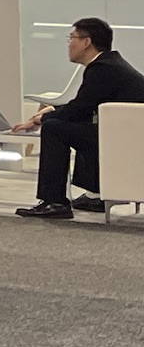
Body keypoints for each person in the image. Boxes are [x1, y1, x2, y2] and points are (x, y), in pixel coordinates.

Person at [15, 17, 144, 220]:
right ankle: (95, 195)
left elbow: (79, 109)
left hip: (128, 140)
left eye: (71, 38)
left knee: (54, 128)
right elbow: (85, 105)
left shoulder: (103, 69)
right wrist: (49, 111)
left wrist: (42, 119)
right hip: (128, 135)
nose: (68, 44)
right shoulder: (108, 64)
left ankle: (55, 201)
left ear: (86, 42)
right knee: (69, 125)